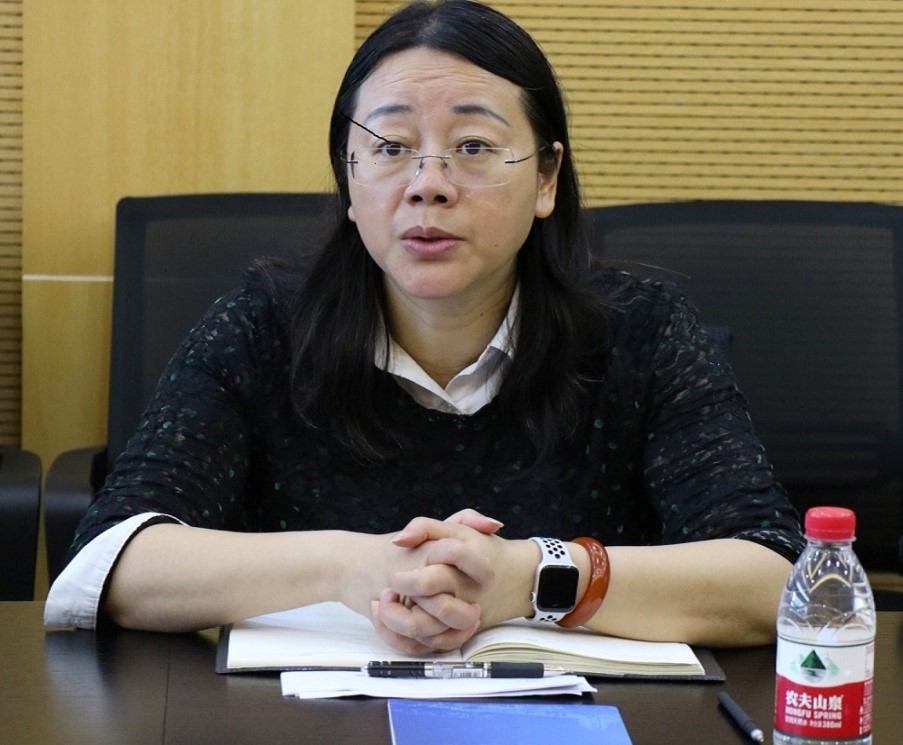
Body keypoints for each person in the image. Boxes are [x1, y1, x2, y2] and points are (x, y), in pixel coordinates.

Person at [45, 0, 804, 652]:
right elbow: (110, 561)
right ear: (348, 177)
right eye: (390, 147)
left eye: (472, 147)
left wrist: (530, 576)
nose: (428, 185)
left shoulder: (643, 331)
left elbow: (778, 577)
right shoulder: (263, 326)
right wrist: (353, 567)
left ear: (546, 178)